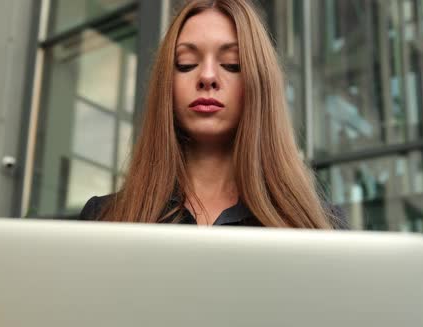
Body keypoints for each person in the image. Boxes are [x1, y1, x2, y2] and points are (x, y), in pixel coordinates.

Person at [79, 0, 348, 229]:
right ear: (166, 85)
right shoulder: (104, 218)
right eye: (186, 64)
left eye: (232, 64)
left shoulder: (320, 227)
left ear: (258, 83)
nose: (207, 76)